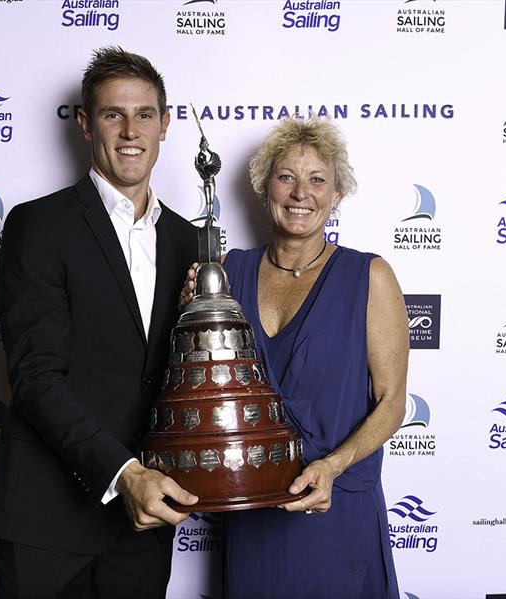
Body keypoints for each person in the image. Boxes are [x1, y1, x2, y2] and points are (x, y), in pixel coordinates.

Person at [0, 47, 199, 599]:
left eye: (145, 114)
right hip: (48, 523)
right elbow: (35, 377)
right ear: (85, 123)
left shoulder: (189, 241)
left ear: (165, 124)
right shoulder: (39, 224)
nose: (131, 131)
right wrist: (125, 474)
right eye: (112, 114)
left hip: (146, 526)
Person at [182, 117, 408, 598]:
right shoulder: (229, 271)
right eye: (286, 177)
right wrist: (194, 310)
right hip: (252, 506)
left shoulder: (370, 276)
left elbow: (392, 403)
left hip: (336, 502)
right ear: (265, 189)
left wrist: (333, 466)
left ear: (337, 195)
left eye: (317, 179)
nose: (300, 192)